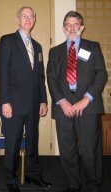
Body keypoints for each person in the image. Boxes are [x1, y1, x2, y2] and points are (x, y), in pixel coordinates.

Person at [47, 11, 108, 192]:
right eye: (68, 24)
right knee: (67, 150)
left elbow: (101, 74)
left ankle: (93, 185)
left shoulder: (93, 47)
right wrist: (62, 101)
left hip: (88, 106)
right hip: (63, 108)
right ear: (64, 28)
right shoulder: (55, 51)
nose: (72, 28)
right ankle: (74, 184)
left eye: (76, 24)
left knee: (90, 150)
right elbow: (51, 79)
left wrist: (86, 98)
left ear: (82, 28)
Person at [0, 6, 51, 192]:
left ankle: (32, 175)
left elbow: (40, 77)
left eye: (31, 17)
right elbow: (2, 72)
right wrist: (4, 101)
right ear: (18, 20)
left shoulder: (38, 47)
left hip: (34, 102)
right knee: (13, 142)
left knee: (33, 141)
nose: (28, 19)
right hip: (13, 102)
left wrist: (43, 100)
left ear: (34, 20)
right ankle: (10, 179)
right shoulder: (7, 41)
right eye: (24, 16)